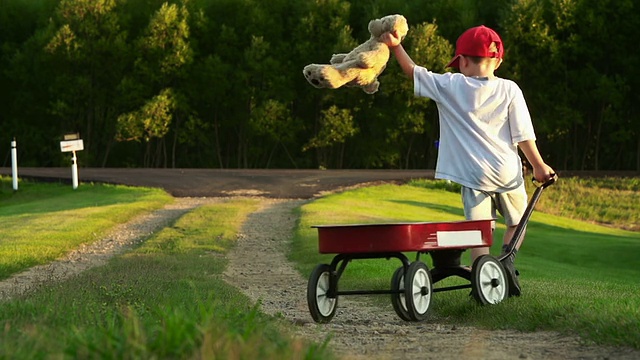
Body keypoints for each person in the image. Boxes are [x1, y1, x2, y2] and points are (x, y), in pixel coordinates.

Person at [382, 25, 555, 297]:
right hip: (506, 172)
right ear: (498, 60)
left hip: (473, 176)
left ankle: (482, 282)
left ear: (462, 61)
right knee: (517, 222)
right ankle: (506, 262)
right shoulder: (510, 89)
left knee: (480, 231)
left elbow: (413, 72)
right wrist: (538, 165)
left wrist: (395, 46)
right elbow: (523, 135)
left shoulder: (451, 85)